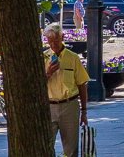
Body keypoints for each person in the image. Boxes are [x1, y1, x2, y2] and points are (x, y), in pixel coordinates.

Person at [45, 25, 90, 157]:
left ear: (62, 38)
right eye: (50, 41)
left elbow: (82, 84)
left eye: (56, 40)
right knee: (46, 146)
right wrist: (48, 73)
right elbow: (35, 86)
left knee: (71, 149)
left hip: (70, 105)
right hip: (49, 106)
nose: (53, 44)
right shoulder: (43, 57)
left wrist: (84, 112)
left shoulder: (73, 57)